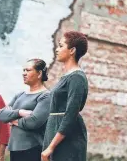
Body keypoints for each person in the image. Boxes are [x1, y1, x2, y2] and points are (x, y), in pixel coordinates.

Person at [41, 31, 89, 161]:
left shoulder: (77, 78)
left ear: (72, 50)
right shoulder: (66, 77)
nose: (57, 49)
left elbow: (71, 114)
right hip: (54, 133)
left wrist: (51, 147)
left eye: (61, 46)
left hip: (68, 139)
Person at [0, 59, 50, 161]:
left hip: (32, 149)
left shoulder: (45, 96)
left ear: (39, 73)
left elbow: (33, 122)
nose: (24, 73)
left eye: (28, 70)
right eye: (23, 70)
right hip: (14, 149)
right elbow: (1, 114)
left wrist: (11, 119)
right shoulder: (20, 95)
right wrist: (20, 112)